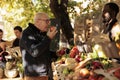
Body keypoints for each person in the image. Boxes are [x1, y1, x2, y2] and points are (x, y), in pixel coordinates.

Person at [19, 12, 57, 80]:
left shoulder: (42, 33)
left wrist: (57, 53)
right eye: (46, 21)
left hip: (46, 74)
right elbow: (34, 52)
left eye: (49, 21)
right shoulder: (27, 34)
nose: (49, 24)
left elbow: (44, 51)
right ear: (38, 21)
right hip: (34, 76)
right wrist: (48, 38)